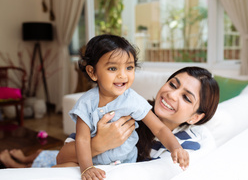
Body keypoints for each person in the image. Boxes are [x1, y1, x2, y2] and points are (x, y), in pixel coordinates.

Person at [56, 66, 219, 178]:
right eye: (172, 84)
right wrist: (99, 144)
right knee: (52, 166)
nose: (172, 95)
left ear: (195, 117)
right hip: (86, 165)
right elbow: (62, 157)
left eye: (186, 98)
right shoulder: (130, 109)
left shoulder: (186, 146)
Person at [64, 34, 189, 180]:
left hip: (128, 165)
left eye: (129, 67)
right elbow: (83, 140)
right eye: (112, 68)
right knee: (59, 168)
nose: (123, 75)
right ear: (92, 72)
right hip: (95, 166)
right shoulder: (86, 103)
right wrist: (87, 168)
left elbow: (159, 128)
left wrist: (176, 148)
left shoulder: (132, 99)